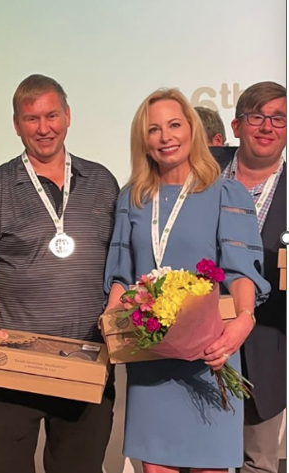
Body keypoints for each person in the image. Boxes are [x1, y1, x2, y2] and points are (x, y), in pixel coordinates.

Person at [103, 88, 270, 472]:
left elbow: (241, 271)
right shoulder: (132, 198)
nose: (166, 137)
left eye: (175, 125)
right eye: (154, 129)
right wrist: (111, 326)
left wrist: (243, 321)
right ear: (143, 140)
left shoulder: (226, 192)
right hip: (151, 363)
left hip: (211, 358)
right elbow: (121, 275)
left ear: (192, 130)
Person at [0, 74, 118, 473]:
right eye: (31, 119)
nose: (43, 128)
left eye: (51, 115)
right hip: (15, 361)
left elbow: (119, 265)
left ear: (67, 116)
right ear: (16, 125)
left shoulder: (103, 182)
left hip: (86, 359)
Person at [221, 81, 286, 473]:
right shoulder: (200, 170)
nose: (267, 127)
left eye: (278, 119)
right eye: (257, 117)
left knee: (257, 465)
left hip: (268, 352)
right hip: (198, 344)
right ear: (236, 125)